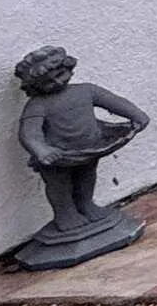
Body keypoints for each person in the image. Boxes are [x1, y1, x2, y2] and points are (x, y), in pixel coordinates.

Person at [11, 46, 148, 268]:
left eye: (60, 74)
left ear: (69, 68)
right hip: (57, 156)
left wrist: (136, 115)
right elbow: (29, 132)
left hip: (88, 149)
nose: (56, 82)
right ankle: (65, 213)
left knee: (87, 177)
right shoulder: (38, 105)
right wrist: (42, 149)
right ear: (35, 86)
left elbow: (113, 101)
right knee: (59, 185)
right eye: (48, 81)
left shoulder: (85, 90)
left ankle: (86, 204)